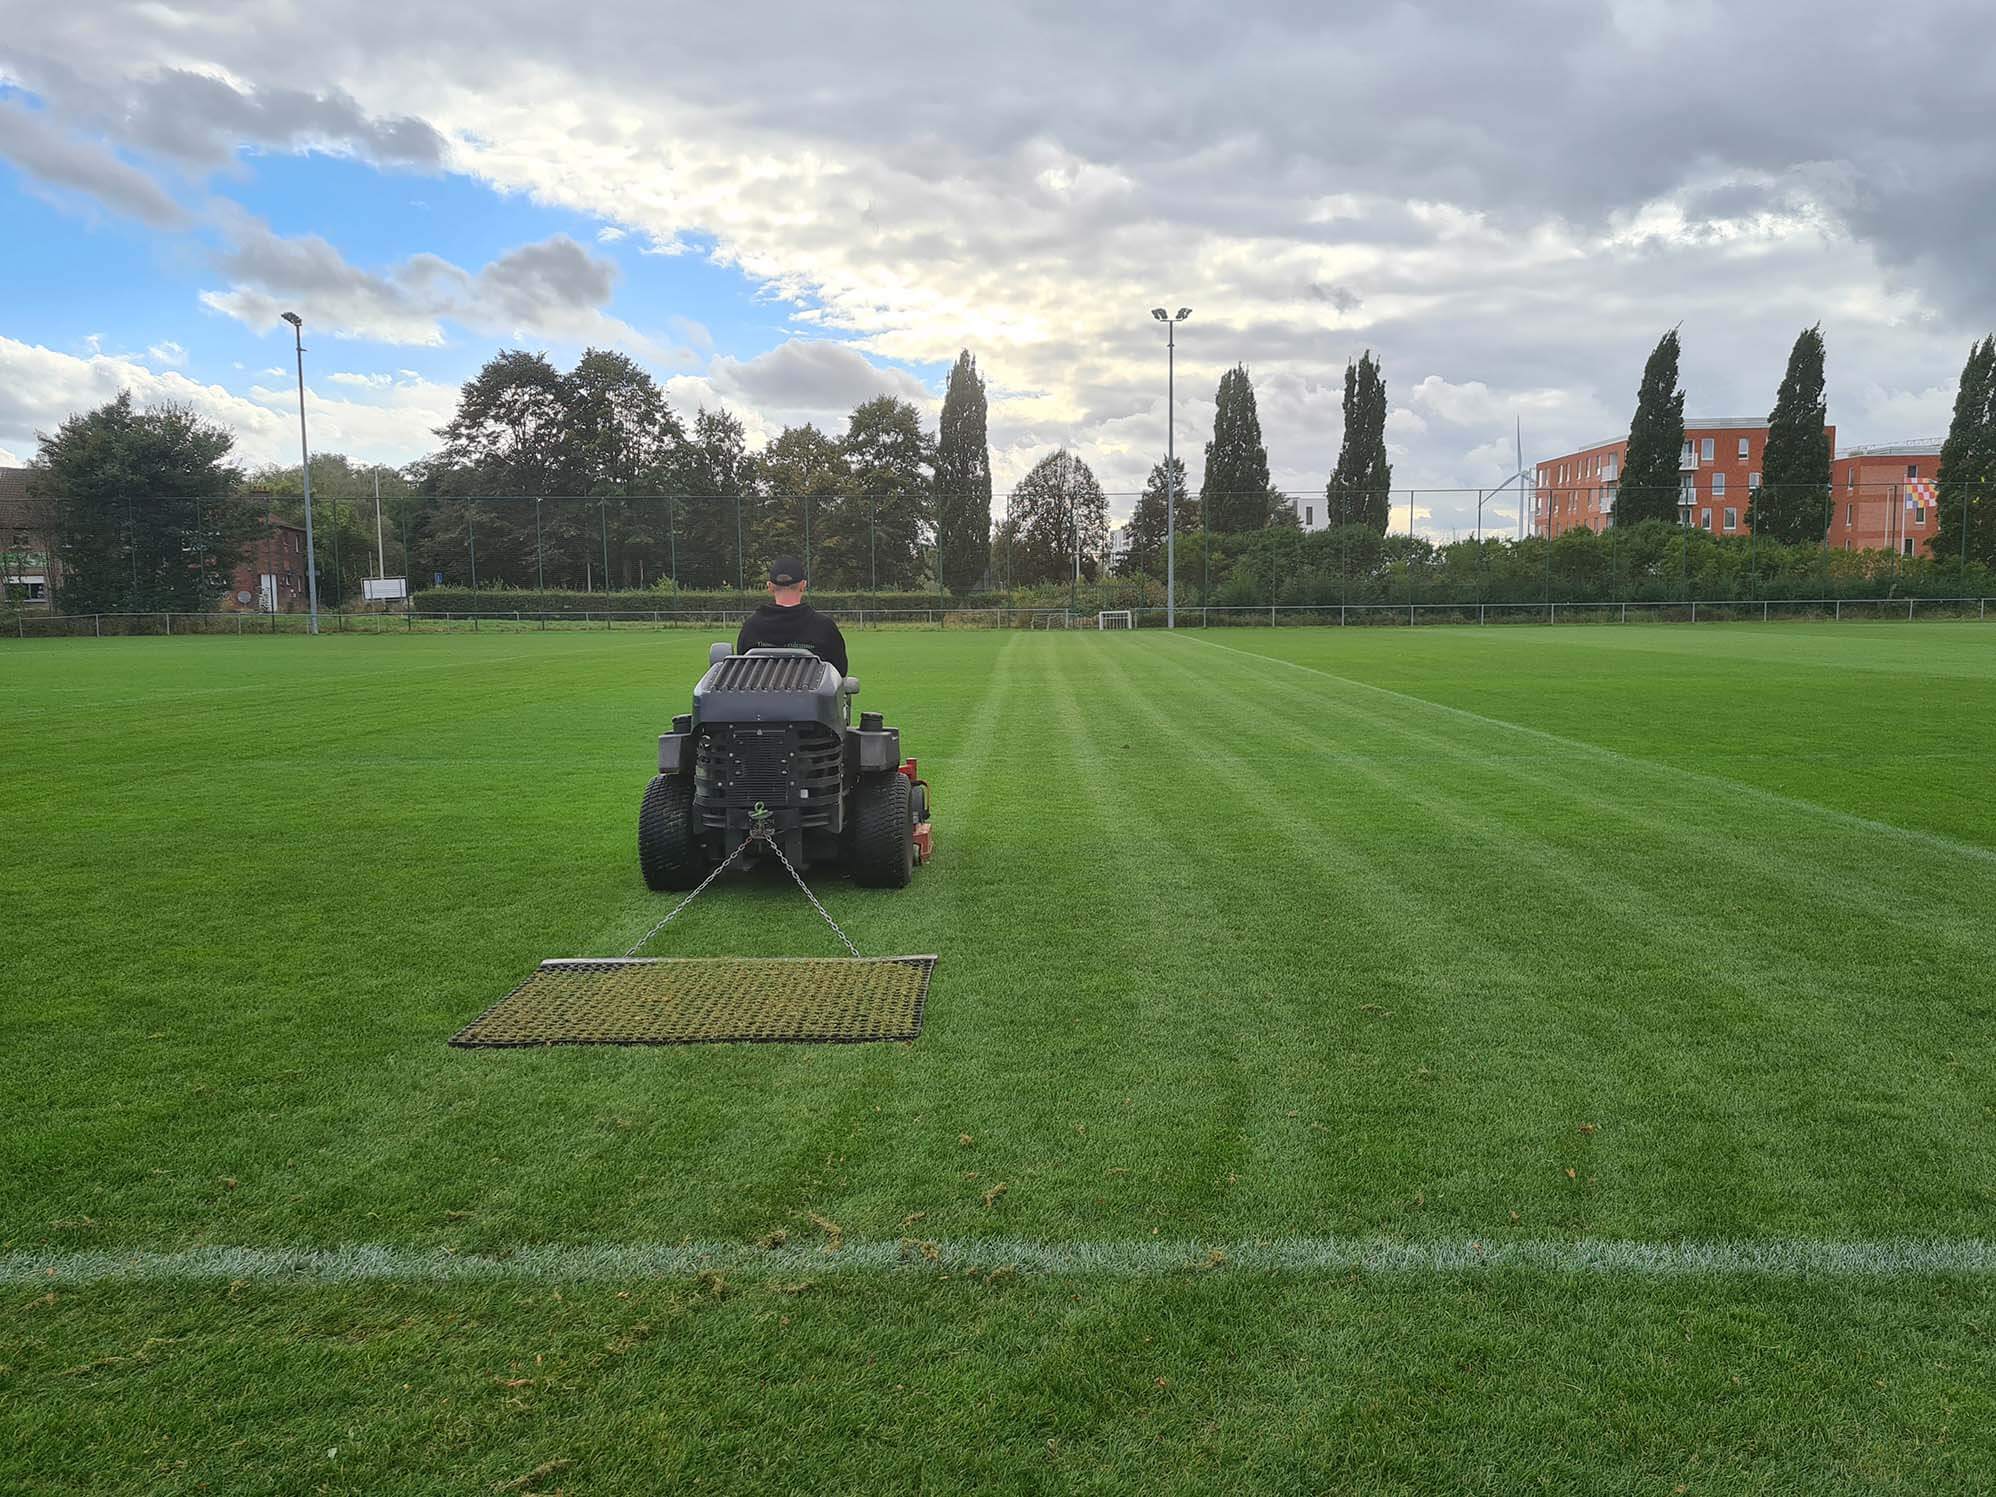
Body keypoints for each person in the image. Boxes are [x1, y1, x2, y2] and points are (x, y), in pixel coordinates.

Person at [736, 556, 848, 676]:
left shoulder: (751, 627)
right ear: (803, 585)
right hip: (809, 695)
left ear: (769, 586)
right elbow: (839, 673)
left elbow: (742, 672)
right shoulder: (825, 627)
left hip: (761, 695)